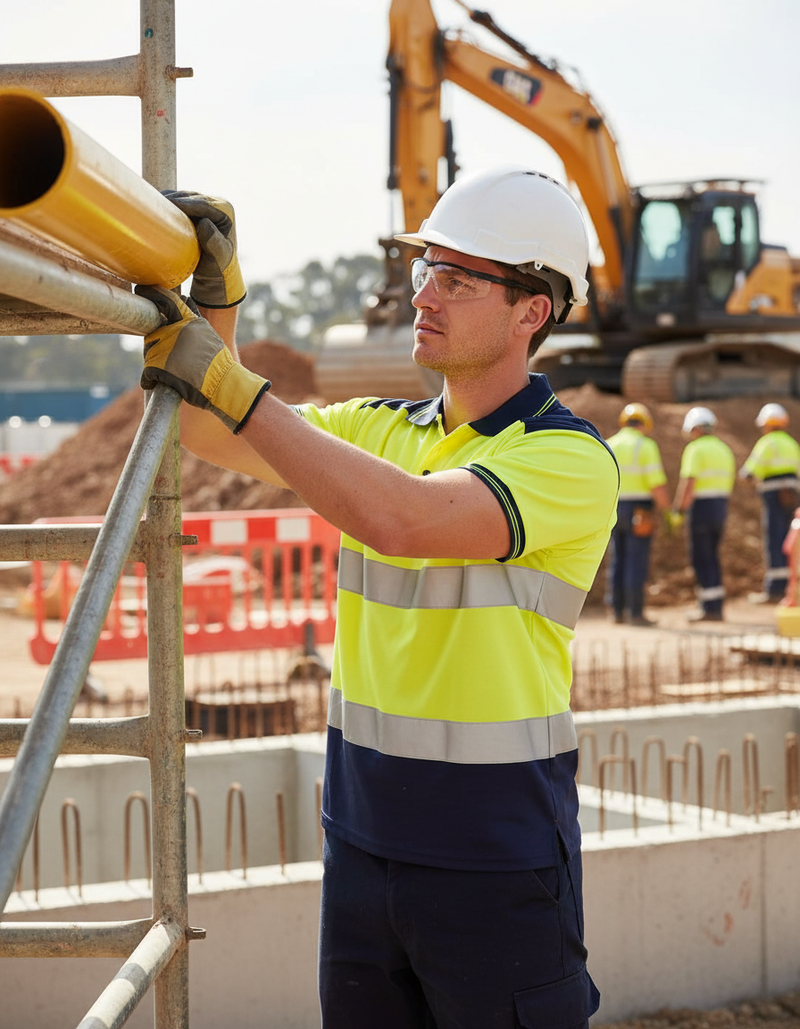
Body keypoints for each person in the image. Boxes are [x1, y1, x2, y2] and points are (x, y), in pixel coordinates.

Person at [135, 167, 619, 1029]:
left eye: (458, 278)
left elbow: (403, 518)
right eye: (425, 268)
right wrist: (218, 304)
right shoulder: (379, 430)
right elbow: (208, 428)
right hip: (361, 842)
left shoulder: (569, 459)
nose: (423, 294)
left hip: (493, 859)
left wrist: (239, 388)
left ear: (531, 310)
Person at [604, 403, 670, 626]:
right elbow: (656, 483)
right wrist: (667, 511)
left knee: (617, 559)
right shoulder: (645, 445)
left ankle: (616, 611)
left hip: (613, 509)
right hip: (640, 509)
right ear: (645, 424)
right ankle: (636, 613)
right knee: (636, 560)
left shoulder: (610, 443)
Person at [672, 407, 735, 622]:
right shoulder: (724, 449)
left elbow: (689, 483)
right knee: (713, 557)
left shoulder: (695, 449)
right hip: (720, 507)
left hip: (701, 509)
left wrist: (679, 510)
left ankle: (709, 609)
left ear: (695, 429)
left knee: (701, 558)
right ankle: (716, 606)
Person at [740, 403, 800, 603]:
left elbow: (749, 473)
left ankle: (775, 589)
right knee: (791, 541)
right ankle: (791, 588)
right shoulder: (792, 443)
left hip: (773, 497)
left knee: (775, 540)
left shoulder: (766, 443)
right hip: (793, 497)